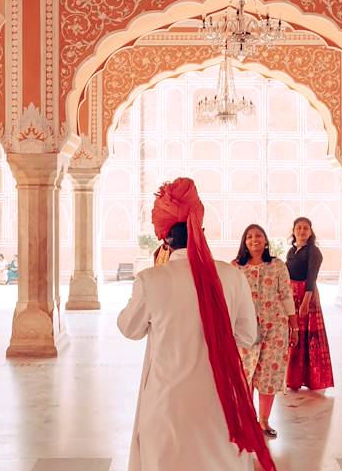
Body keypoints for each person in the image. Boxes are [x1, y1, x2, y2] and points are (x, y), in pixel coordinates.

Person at [117, 178, 273, 471]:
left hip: (167, 403)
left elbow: (130, 329)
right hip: (220, 402)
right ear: (200, 231)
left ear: (164, 240)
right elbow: (247, 334)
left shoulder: (151, 280)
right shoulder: (231, 275)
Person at [233, 224, 298, 438]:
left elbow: (286, 295)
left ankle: (263, 421)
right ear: (244, 241)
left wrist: (293, 325)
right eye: (249, 236)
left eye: (258, 235)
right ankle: (245, 420)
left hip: (275, 327)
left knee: (268, 374)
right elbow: (230, 298)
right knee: (245, 374)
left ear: (265, 240)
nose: (254, 240)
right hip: (245, 328)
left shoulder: (277, 265)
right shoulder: (236, 267)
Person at [285, 216, 334, 390]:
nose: (302, 230)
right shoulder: (291, 252)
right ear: (293, 231)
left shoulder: (314, 251)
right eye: (298, 227)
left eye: (305, 228)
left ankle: (313, 379)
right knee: (294, 334)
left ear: (310, 231)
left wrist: (306, 302)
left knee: (308, 336)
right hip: (292, 295)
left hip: (307, 295)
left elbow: (312, 277)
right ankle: (294, 379)